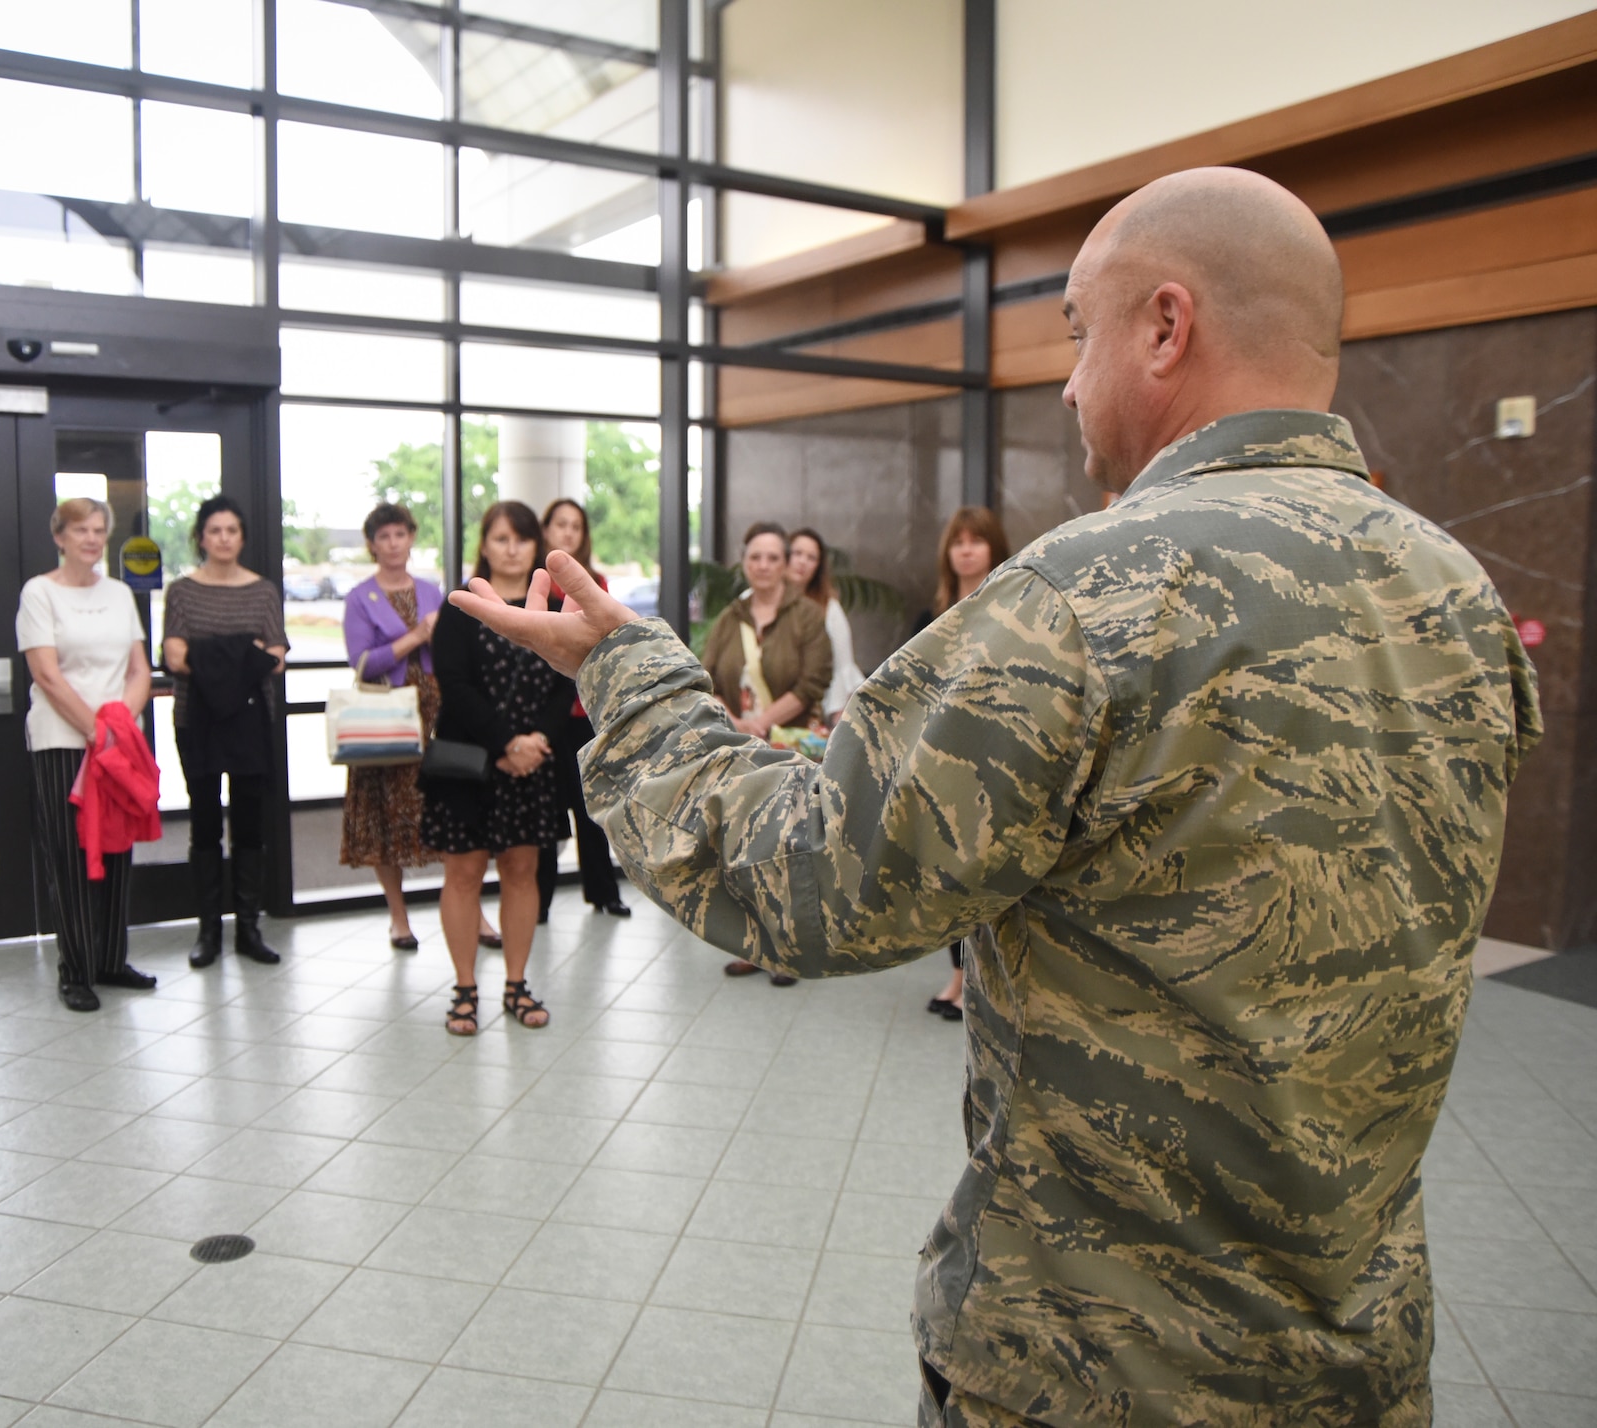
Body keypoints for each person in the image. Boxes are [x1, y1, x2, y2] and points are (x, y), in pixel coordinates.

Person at [452, 167, 1539, 1427]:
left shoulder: (1091, 593)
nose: (1069, 383)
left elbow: (800, 881)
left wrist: (627, 669)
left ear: (1166, 327)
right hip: (1353, 1357)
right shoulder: (1453, 591)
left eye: (1078, 335)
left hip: (1094, 1367)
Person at [421, 501, 569, 1035]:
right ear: (484, 544)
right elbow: (453, 687)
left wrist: (536, 742)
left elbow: (565, 681)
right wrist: (507, 741)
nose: (511, 548)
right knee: (463, 873)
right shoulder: (461, 606)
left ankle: (516, 983)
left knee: (522, 871)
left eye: (522, 539)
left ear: (535, 546)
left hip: (533, 764)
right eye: (501, 538)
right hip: (472, 763)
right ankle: (464, 987)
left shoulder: (552, 607)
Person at [18, 497, 157, 1012]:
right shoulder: (39, 593)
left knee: (117, 849)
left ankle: (111, 960)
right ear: (60, 537)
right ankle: (75, 970)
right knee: (71, 857)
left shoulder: (121, 593)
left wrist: (119, 725)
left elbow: (140, 669)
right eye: (81, 530)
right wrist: (98, 732)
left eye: (100, 530)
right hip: (63, 740)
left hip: (119, 742)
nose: (92, 539)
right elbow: (47, 676)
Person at [697, 521, 830, 984]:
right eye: (755, 557)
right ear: (744, 562)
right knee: (745, 844)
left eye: (773, 557)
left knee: (791, 847)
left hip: (790, 749)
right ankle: (754, 944)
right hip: (742, 749)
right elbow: (707, 676)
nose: (764, 566)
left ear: (786, 563)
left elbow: (814, 680)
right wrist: (736, 722)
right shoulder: (731, 616)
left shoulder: (808, 616)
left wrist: (764, 720)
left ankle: (791, 948)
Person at [162, 495, 286, 969]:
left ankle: (249, 930)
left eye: (232, 530)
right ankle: (208, 933)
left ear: (242, 537)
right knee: (205, 824)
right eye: (215, 530)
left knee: (251, 825)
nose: (224, 538)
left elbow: (275, 659)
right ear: (201, 537)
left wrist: (209, 652)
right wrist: (244, 651)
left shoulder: (262, 591)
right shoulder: (183, 591)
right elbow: (175, 657)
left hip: (252, 721)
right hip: (198, 721)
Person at [340, 502, 444, 950]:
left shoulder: (432, 590)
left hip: (436, 717)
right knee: (387, 821)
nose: (392, 543)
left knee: (445, 816)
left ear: (411, 538)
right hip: (387, 723)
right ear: (371, 544)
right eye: (383, 537)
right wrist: (417, 636)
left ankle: (470, 910)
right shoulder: (360, 597)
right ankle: (398, 918)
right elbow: (364, 663)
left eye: (399, 534)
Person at [920, 507, 1010, 1022]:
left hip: (991, 755)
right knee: (946, 869)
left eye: (978, 541)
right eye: (959, 541)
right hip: (940, 756)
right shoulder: (931, 612)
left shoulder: (1010, 606)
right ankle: (958, 972)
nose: (967, 549)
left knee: (983, 870)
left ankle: (972, 977)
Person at [535, 497, 630, 923]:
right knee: (546, 815)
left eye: (576, 526)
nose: (569, 533)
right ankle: (538, 902)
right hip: (542, 719)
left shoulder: (596, 583)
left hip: (585, 715)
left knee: (591, 810)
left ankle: (603, 892)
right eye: (561, 525)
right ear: (546, 531)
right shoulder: (536, 584)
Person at [786, 528, 865, 728]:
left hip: (813, 712)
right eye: (797, 553)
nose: (802, 562)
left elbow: (843, 667)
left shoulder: (829, 608)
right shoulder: (751, 600)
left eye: (811, 557)